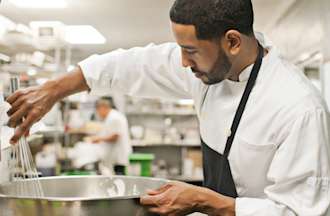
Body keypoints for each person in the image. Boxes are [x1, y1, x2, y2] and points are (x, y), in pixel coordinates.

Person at [5, 0, 330, 215]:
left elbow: (300, 211)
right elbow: (128, 65)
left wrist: (204, 200)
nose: (182, 62)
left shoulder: (298, 108)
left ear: (232, 41)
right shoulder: (206, 68)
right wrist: (52, 90)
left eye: (190, 51)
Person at [86, 97, 132, 175]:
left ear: (103, 107)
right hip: (114, 156)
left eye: (98, 110)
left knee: (119, 178)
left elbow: (115, 137)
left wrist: (99, 139)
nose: (98, 113)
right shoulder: (110, 117)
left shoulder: (114, 117)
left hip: (118, 156)